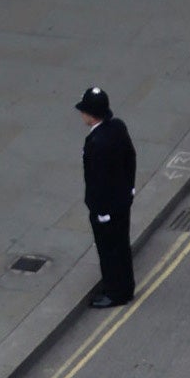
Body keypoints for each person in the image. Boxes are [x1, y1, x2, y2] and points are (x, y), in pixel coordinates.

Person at [74, 86, 138, 309]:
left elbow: (97, 181)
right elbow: (131, 157)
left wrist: (100, 212)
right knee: (121, 246)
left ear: (91, 115)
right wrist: (130, 188)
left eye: (83, 111)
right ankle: (125, 286)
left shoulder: (97, 143)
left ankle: (115, 292)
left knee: (109, 250)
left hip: (107, 208)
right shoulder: (117, 128)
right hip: (122, 201)